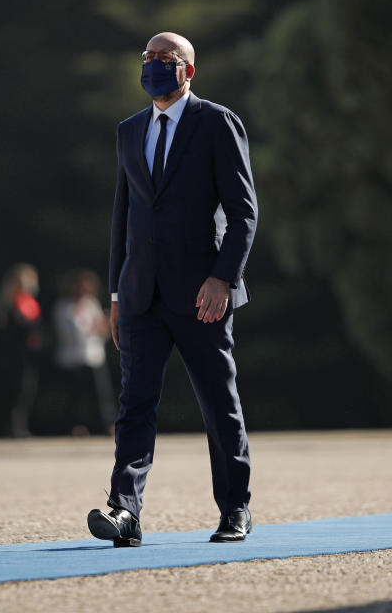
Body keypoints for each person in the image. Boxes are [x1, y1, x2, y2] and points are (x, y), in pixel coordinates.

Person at [87, 32, 258, 547]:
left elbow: (244, 212)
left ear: (189, 70)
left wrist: (223, 278)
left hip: (202, 295)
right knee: (133, 406)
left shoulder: (216, 122)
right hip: (140, 296)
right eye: (148, 57)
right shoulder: (129, 131)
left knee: (217, 402)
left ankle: (235, 509)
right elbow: (123, 220)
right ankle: (124, 511)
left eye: (167, 58)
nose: (155, 65)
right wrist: (116, 298)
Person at [52, 270, 115, 436]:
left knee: (101, 394)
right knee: (75, 396)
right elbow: (67, 333)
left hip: (93, 356)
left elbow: (102, 332)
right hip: (72, 358)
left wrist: (103, 327)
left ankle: (107, 424)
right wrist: (91, 329)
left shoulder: (91, 304)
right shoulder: (63, 307)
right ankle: (75, 426)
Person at [0, 264, 44, 437]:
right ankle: (11, 427)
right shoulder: (8, 304)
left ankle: (20, 426)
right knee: (12, 390)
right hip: (12, 355)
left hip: (28, 355)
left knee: (26, 391)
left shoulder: (30, 303)